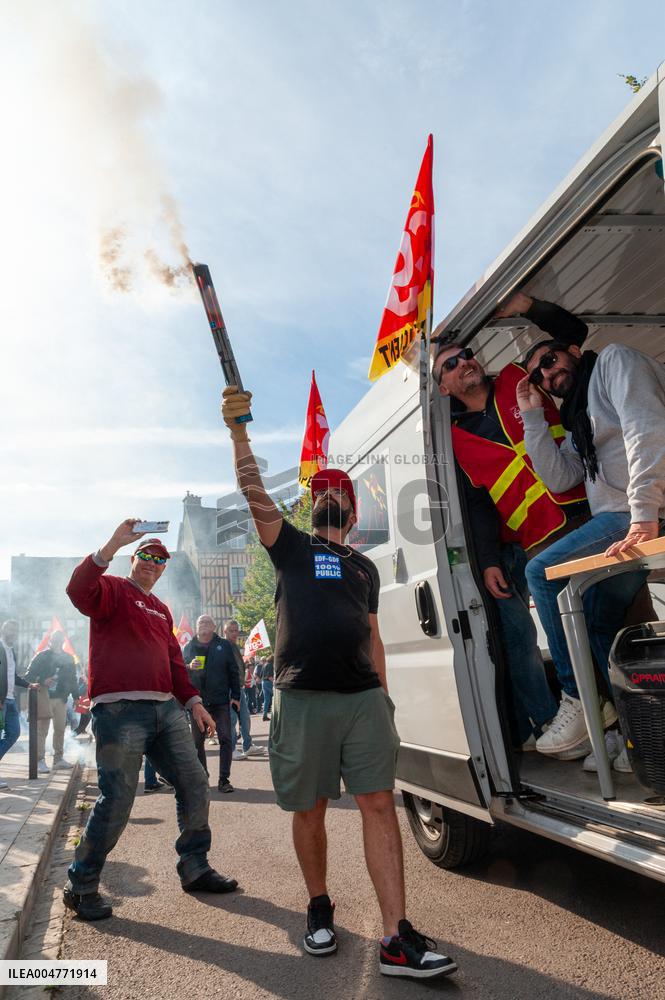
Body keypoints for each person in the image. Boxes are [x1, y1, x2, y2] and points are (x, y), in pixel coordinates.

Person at [221, 385, 456, 980]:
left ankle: (395, 937)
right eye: (319, 492)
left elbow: (373, 635)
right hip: (300, 699)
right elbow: (253, 494)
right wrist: (239, 433)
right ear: (310, 507)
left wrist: (384, 692)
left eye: (339, 494)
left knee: (380, 803)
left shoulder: (365, 566)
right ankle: (319, 907)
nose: (329, 499)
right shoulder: (291, 547)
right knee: (312, 808)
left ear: (352, 512)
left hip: (363, 702)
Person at [432, 293, 594, 754]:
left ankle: (634, 725)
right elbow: (478, 507)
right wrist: (486, 562)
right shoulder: (456, 442)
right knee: (568, 629)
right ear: (444, 388)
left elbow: (571, 341)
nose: (465, 362)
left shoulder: (517, 378)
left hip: (591, 509)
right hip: (539, 540)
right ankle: (578, 727)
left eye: (466, 355)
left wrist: (528, 307)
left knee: (618, 619)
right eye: (451, 364)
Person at [63, 522, 239, 921]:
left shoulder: (161, 610)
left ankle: (194, 866)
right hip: (120, 710)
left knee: (194, 783)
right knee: (119, 798)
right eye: (147, 556)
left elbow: (175, 666)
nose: (153, 564)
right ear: (134, 559)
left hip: (166, 710)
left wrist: (194, 702)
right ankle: (82, 884)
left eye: (160, 560)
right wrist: (110, 544)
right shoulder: (111, 591)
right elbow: (77, 590)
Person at [520, 336, 665, 766]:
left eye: (550, 360)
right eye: (537, 373)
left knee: (540, 573)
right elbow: (561, 477)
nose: (546, 373)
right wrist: (532, 416)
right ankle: (637, 732)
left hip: (634, 513)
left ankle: (576, 695)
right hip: (623, 517)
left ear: (574, 352)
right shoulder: (578, 416)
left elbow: (647, 426)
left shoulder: (613, 362)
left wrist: (644, 513)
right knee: (602, 626)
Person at [183, 615, 241, 792]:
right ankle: (203, 777)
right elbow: (179, 671)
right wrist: (188, 666)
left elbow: (233, 670)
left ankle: (224, 780)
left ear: (214, 627)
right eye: (201, 622)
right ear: (196, 626)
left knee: (225, 739)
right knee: (197, 742)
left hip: (220, 700)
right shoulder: (189, 646)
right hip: (198, 702)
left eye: (207, 623)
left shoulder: (224, 645)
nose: (204, 625)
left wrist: (236, 696)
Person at [25, 631, 79, 771]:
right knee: (42, 730)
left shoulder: (68, 658)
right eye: (55, 639)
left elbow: (73, 678)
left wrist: (77, 697)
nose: (58, 642)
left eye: (60, 639)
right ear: (50, 640)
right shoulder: (42, 656)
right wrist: (43, 680)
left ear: (63, 641)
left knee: (60, 729)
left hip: (61, 698)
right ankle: (39, 760)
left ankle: (58, 759)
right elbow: (28, 676)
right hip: (44, 697)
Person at [0, 620, 38, 789]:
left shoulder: (11, 651)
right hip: (1, 701)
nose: (13, 633)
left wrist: (28, 684)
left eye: (15, 630)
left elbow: (12, 676)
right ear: (3, 630)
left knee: (14, 733)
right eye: (10, 630)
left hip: (10, 699)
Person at [225, 621, 266, 760]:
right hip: (230, 689)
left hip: (239, 688)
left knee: (245, 718)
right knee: (232, 719)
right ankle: (231, 749)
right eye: (231, 630)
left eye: (236, 630)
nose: (234, 633)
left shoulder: (234, 646)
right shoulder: (223, 646)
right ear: (225, 632)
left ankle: (247, 746)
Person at [259, 655, 274, 721]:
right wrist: (274, 682)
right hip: (268, 682)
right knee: (275, 696)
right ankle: (276, 714)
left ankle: (264, 715)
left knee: (266, 700)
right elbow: (270, 676)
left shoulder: (264, 665)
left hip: (263, 682)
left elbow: (261, 675)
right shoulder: (270, 665)